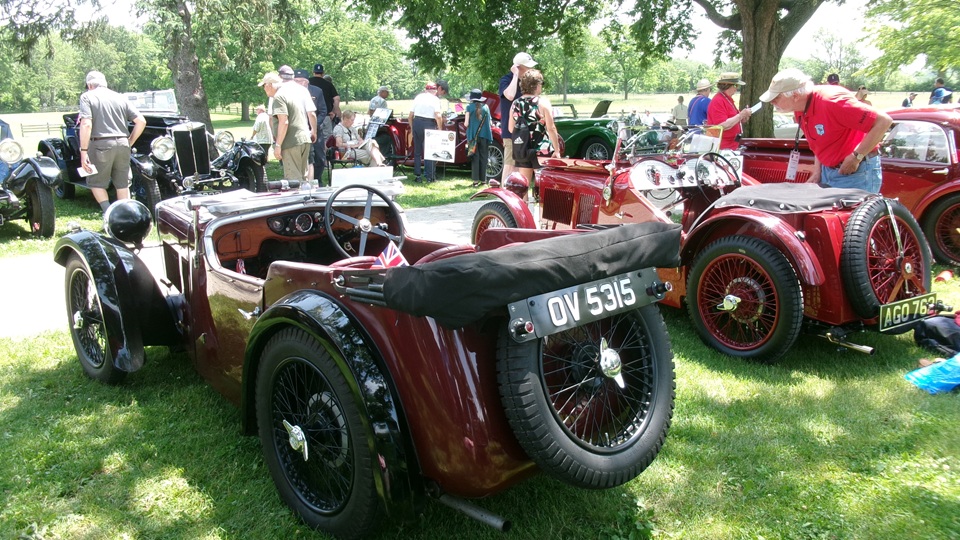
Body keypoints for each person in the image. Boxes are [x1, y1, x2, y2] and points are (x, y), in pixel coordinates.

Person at [759, 68, 892, 193]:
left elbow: (883, 121)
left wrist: (856, 157)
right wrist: (817, 172)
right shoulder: (800, 108)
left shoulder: (833, 101)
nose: (772, 102)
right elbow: (819, 141)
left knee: (852, 212)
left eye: (776, 98)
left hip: (856, 173)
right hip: (828, 171)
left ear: (795, 96)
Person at [77, 70, 146, 213]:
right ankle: (125, 215)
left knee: (95, 182)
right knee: (123, 183)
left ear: (89, 85)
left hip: (100, 144)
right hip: (123, 143)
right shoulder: (120, 97)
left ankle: (109, 213)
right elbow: (141, 121)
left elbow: (86, 124)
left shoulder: (87, 97)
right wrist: (129, 142)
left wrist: (83, 152)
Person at [259, 68, 314, 182]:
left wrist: (278, 145)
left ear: (270, 85)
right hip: (304, 139)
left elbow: (284, 122)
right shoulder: (291, 92)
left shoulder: (278, 97)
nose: (264, 89)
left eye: (264, 86)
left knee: (293, 181)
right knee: (303, 179)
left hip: (291, 142)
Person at [508, 69, 561, 187]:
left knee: (523, 185)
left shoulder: (515, 104)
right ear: (536, 85)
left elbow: (511, 129)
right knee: (543, 185)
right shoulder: (543, 103)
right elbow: (551, 128)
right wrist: (557, 150)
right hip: (542, 149)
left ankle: (524, 200)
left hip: (523, 149)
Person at [499, 52, 538, 181]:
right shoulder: (506, 80)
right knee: (510, 166)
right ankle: (505, 192)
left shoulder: (526, 84)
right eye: (528, 68)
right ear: (518, 67)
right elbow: (510, 95)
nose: (530, 70)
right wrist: (515, 75)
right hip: (511, 132)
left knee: (522, 167)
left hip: (526, 132)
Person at [408, 80, 448, 183]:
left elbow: (410, 116)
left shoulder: (418, 97)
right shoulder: (435, 99)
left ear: (426, 90)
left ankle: (418, 176)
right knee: (430, 151)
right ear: (435, 91)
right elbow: (438, 115)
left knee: (417, 152)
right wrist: (440, 128)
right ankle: (430, 177)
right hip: (429, 124)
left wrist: (412, 128)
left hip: (417, 122)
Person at [309, 63, 341, 181]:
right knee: (325, 140)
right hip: (325, 116)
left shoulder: (307, 83)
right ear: (323, 73)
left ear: (313, 72)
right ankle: (325, 161)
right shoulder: (328, 84)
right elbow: (336, 99)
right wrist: (335, 111)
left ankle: (312, 162)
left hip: (307, 117)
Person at [294, 68, 326, 184]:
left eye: (300, 81)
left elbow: (323, 111)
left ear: (306, 81)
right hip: (299, 130)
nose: (298, 83)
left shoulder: (316, 91)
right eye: (296, 81)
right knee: (305, 158)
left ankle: (317, 180)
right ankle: (304, 182)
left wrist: (314, 126)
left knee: (319, 158)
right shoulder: (291, 93)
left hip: (315, 130)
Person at [706, 72, 752, 150]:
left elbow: (734, 119)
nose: (737, 88)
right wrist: (740, 115)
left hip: (732, 145)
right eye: (735, 85)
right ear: (727, 85)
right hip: (722, 147)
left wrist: (743, 117)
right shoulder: (718, 101)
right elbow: (722, 125)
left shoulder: (727, 99)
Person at [464, 88, 493, 187]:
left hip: (473, 136)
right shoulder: (486, 107)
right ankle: (484, 181)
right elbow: (490, 122)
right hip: (485, 135)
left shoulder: (469, 107)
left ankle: (475, 181)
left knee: (475, 157)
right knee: (484, 157)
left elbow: (466, 123)